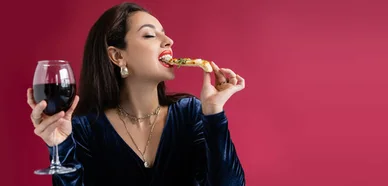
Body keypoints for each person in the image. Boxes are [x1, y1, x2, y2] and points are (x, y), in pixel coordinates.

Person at [26, 2, 246, 185]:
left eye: (165, 34)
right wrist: (60, 146)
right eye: (150, 35)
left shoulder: (190, 113)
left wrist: (214, 114)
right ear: (117, 56)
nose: (169, 41)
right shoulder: (84, 128)